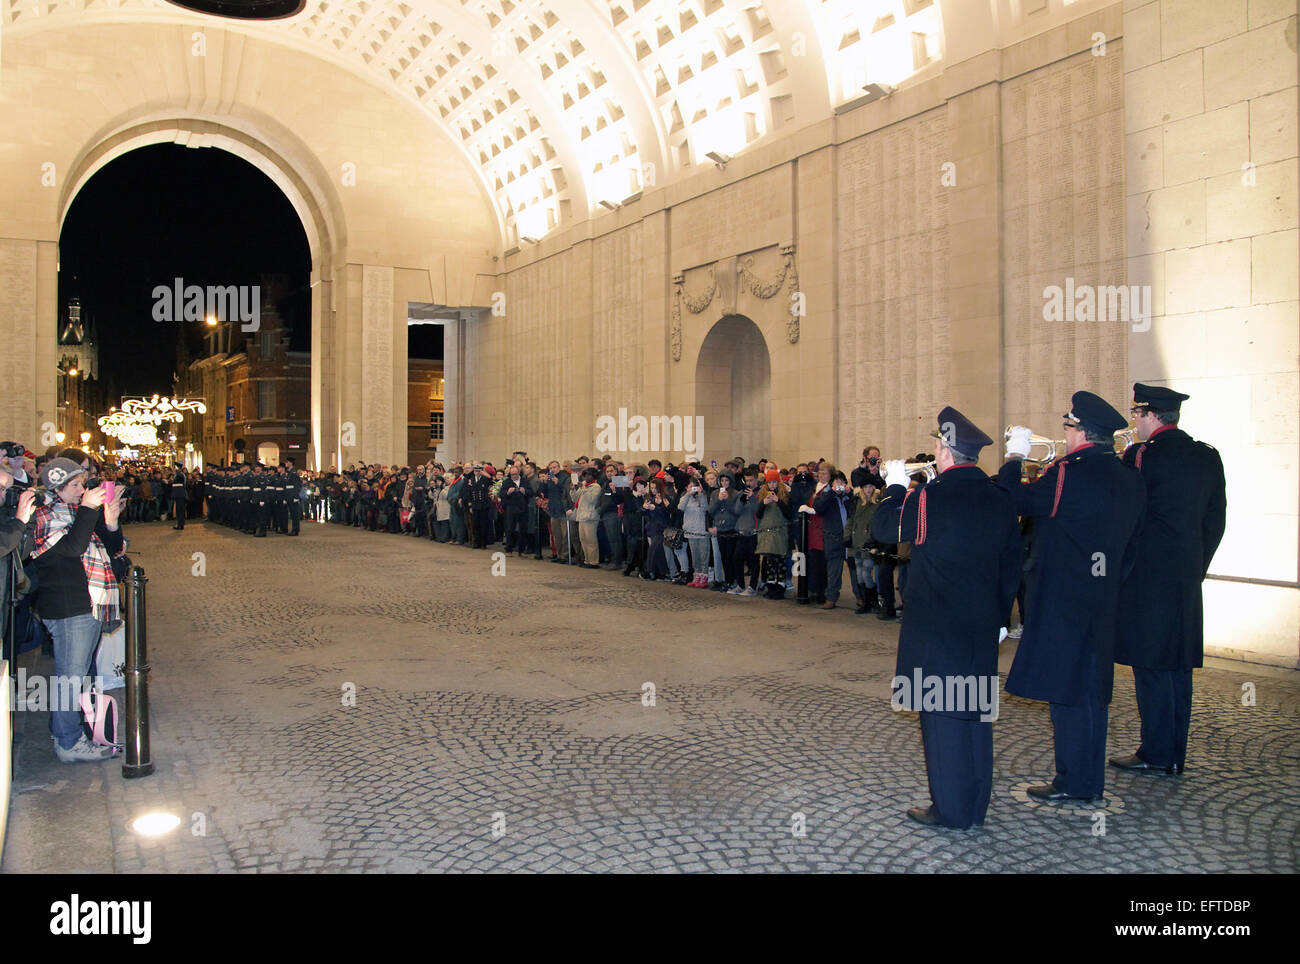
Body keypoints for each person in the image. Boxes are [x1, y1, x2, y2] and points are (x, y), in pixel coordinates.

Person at [871, 408, 1022, 830]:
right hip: (981, 624)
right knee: (975, 716)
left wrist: (895, 486)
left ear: (947, 451)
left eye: (937, 445)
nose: (934, 453)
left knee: (942, 720)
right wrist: (1001, 617)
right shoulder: (999, 497)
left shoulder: (928, 498)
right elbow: (1012, 563)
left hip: (937, 627)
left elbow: (885, 528)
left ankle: (951, 810)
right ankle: (974, 804)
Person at [999, 392, 1146, 802]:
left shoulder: (1068, 473)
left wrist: (1014, 458)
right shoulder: (1129, 476)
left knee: (1068, 692)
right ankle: (1085, 779)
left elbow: (1013, 500)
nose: (1063, 434)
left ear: (1081, 432)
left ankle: (1074, 783)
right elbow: (1134, 543)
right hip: (1104, 597)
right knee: (1092, 691)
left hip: (1064, 598)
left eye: (1067, 426)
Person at [1110, 383, 1227, 777]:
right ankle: (1174, 751)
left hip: (1147, 579)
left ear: (1149, 415)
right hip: (1185, 578)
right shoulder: (1206, 457)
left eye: (1137, 416)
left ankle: (1157, 752)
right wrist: (1196, 566)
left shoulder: (1141, 456)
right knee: (1178, 668)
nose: (1135, 424)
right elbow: (1215, 520)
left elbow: (1127, 515)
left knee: (1152, 666)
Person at [29, 458, 126, 763]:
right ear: (57, 488)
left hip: (89, 603)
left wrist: (109, 519)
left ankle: (70, 732)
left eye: (82, 484)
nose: (82, 490)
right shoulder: (44, 515)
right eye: (75, 485)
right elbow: (71, 548)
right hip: (67, 607)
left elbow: (112, 547)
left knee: (79, 675)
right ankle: (68, 742)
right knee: (69, 678)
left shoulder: (76, 511)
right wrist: (87, 508)